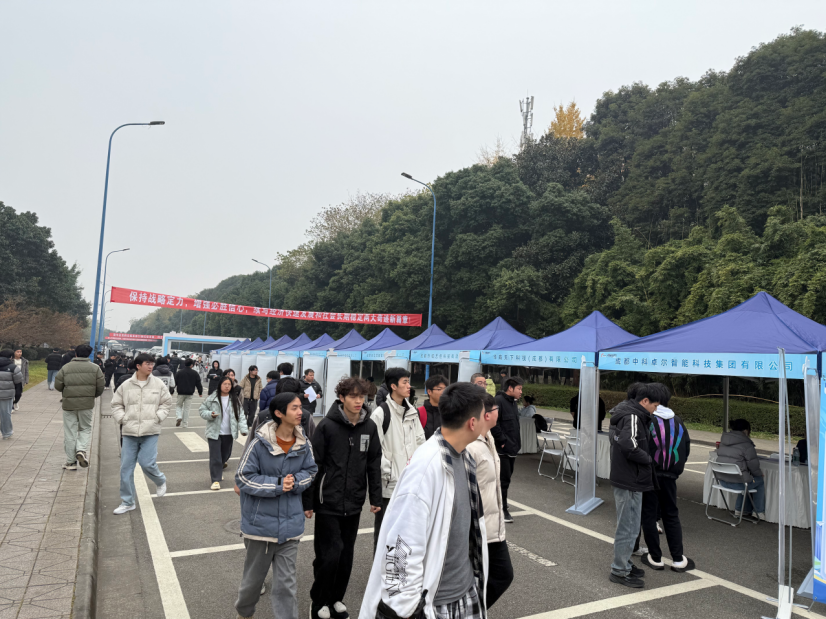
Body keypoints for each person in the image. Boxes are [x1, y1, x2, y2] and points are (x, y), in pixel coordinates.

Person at [360, 382, 488, 619]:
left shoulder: (464, 457)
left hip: (465, 591)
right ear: (472, 422)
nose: (486, 419)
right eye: (484, 414)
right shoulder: (426, 467)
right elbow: (401, 543)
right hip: (435, 604)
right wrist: (405, 609)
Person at [234, 392, 317, 619]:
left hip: (290, 527)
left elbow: (311, 471)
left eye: (300, 407)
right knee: (253, 582)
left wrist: (296, 482)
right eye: (294, 408)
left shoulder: (303, 443)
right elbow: (243, 477)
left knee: (286, 584)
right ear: (279, 413)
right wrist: (278, 484)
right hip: (260, 528)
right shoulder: (259, 444)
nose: (300, 412)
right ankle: (244, 612)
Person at [305, 377, 382, 619]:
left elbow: (373, 463)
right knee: (329, 554)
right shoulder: (327, 426)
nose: (358, 401)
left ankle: (336, 598)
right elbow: (314, 464)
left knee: (346, 554)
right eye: (353, 396)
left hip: (354, 501)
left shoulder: (369, 427)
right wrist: (308, 501)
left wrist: (375, 497)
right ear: (341, 398)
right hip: (327, 501)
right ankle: (318, 602)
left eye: (362, 396)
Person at [608, 382, 663, 588]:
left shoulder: (630, 414)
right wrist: (648, 459)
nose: (655, 410)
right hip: (630, 478)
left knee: (630, 526)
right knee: (628, 527)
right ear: (645, 401)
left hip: (630, 477)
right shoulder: (632, 416)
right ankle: (619, 570)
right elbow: (628, 444)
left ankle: (624, 564)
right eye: (655, 406)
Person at [370, 366, 426, 550]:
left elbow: (420, 441)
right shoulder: (381, 413)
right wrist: (388, 471)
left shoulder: (412, 412)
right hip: (390, 483)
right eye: (405, 382)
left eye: (409, 382)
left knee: (407, 530)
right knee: (385, 531)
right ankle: (380, 566)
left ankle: (400, 566)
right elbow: (375, 451)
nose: (409, 386)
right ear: (393, 386)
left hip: (411, 483)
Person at [640, 389, 695, 573]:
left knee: (649, 514)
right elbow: (686, 448)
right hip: (671, 476)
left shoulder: (648, 419)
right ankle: (678, 559)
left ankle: (655, 557)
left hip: (650, 475)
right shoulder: (678, 421)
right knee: (671, 514)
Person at [466, 392, 513, 609]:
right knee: (498, 574)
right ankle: (469, 611)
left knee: (500, 575)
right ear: (486, 415)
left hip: (493, 526)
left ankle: (472, 611)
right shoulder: (470, 446)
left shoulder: (488, 437)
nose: (498, 413)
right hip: (478, 527)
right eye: (495, 410)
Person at [110, 353, 171, 514]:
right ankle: (128, 502)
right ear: (138, 366)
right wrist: (122, 419)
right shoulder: (126, 384)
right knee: (126, 468)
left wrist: (158, 417)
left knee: (146, 463)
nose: (151, 366)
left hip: (150, 430)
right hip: (129, 431)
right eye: (147, 363)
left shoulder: (158, 384)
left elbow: (166, 403)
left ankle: (160, 480)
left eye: (152, 363)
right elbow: (116, 404)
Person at [54, 344, 104, 469]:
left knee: (70, 432)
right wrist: (92, 396)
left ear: (75, 353)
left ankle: (71, 461)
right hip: (87, 404)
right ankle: (81, 450)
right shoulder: (95, 368)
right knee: (85, 428)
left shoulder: (66, 367)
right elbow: (100, 387)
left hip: (69, 405)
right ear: (89, 354)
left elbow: (58, 386)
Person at [200, 375, 248, 490]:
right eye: (224, 384)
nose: (227, 386)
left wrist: (243, 429)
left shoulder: (234, 399)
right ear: (220, 385)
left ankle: (218, 470)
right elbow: (202, 410)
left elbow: (241, 415)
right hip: (214, 433)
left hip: (228, 433)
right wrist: (210, 414)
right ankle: (215, 480)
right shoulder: (212, 398)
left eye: (229, 384)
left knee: (225, 455)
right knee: (215, 456)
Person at [717, 419, 766, 520]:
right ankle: (758, 511)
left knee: (745, 478)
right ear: (746, 431)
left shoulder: (723, 442)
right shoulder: (747, 445)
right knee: (757, 481)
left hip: (722, 481)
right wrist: (759, 474)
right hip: (738, 484)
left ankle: (741, 510)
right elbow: (754, 466)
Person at [493, 376, 523, 523]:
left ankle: (501, 503)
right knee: (503, 480)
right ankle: (502, 509)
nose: (521, 392)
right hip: (503, 449)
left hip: (512, 447)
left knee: (507, 478)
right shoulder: (498, 401)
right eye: (519, 388)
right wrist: (502, 440)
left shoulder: (513, 403)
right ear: (510, 388)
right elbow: (494, 423)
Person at [0, 350, 23, 439]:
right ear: (11, 357)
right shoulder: (13, 368)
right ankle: (7, 433)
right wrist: (17, 396)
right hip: (7, 395)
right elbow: (18, 383)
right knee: (6, 414)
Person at [174, 359, 203, 428]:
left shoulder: (179, 372)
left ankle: (179, 416)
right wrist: (200, 392)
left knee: (178, 406)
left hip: (180, 392)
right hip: (190, 393)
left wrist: (171, 391)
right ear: (192, 365)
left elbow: (175, 382)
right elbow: (198, 383)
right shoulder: (195, 373)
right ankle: (185, 424)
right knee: (187, 408)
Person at [418, 374, 446, 440]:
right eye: (439, 389)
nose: (443, 392)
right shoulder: (419, 413)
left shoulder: (451, 412)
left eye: (445, 389)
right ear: (429, 391)